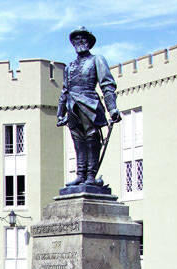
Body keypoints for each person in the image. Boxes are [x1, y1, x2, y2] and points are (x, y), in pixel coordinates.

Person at [57, 27, 121, 187]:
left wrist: (112, 108)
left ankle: (91, 175)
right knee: (78, 141)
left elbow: (107, 84)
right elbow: (65, 90)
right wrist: (60, 112)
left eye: (84, 39)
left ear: (89, 43)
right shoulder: (69, 66)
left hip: (89, 103)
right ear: (73, 43)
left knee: (92, 139)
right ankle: (80, 174)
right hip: (72, 106)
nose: (80, 42)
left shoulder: (97, 60)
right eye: (77, 39)